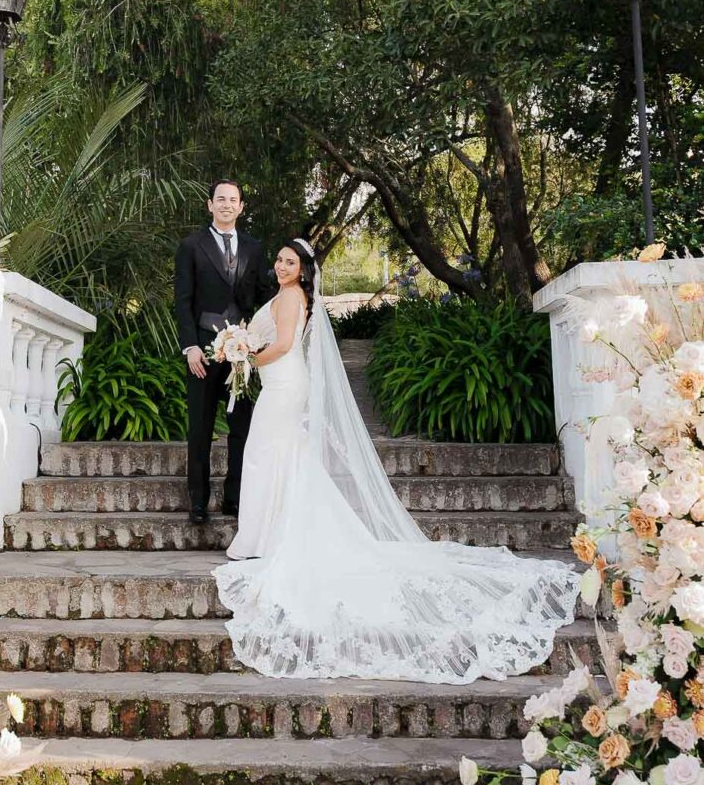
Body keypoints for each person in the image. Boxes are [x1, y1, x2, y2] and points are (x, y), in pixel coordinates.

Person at [214, 238, 580, 684]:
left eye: (290, 261)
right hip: (280, 387)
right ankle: (268, 534)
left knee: (266, 458)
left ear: (304, 269)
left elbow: (286, 344)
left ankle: (265, 538)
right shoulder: (287, 294)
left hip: (285, 387)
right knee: (276, 459)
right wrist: (244, 351)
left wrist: (244, 353)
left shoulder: (292, 297)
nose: (281, 266)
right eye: (278, 259)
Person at [174, 180, 271, 525]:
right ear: (210, 205)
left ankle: (235, 498)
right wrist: (190, 348)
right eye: (221, 199)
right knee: (199, 428)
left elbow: (265, 293)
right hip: (203, 350)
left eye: (233, 200)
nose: (227, 204)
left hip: (242, 354)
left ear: (242, 207)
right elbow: (183, 301)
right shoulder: (191, 246)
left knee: (240, 428)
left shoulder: (254, 248)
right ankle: (198, 503)